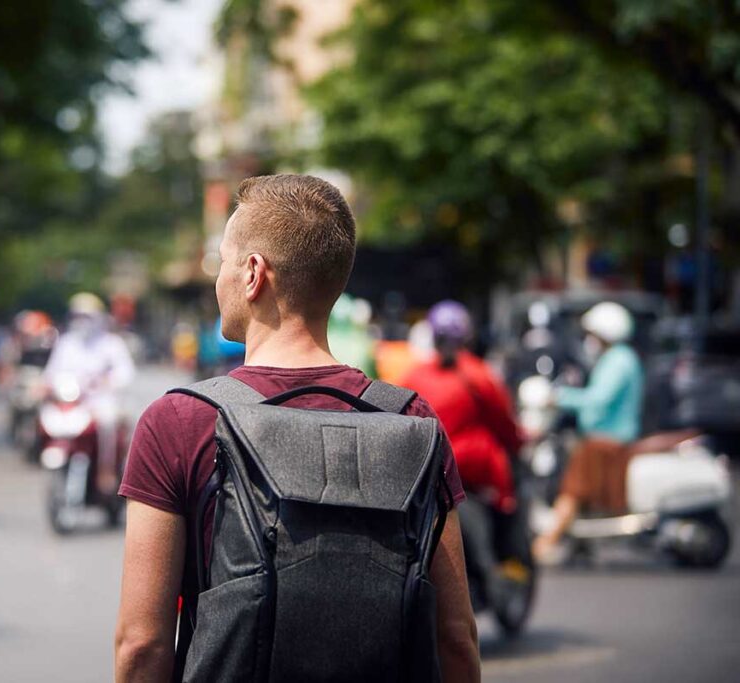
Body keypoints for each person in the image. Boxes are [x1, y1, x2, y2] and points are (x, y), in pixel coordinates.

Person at [114, 175, 479, 682]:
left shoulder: (180, 421)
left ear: (252, 274)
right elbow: (455, 637)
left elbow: (142, 644)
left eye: (224, 261)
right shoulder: (410, 420)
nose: (219, 279)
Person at [531, 301, 644, 562]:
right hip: (604, 438)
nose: (590, 340)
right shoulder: (619, 358)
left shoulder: (619, 361)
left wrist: (559, 397)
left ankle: (546, 542)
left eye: (593, 334)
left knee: (572, 492)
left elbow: (598, 399)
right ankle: (579, 543)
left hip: (605, 441)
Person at [404, 301, 522, 516]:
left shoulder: (414, 376)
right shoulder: (478, 373)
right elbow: (504, 422)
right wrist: (518, 444)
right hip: (471, 473)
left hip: (425, 472)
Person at [44, 292, 136, 494]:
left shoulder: (111, 343)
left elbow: (126, 373)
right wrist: (45, 386)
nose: (82, 322)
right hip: (73, 402)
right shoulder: (66, 343)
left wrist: (106, 381)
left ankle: (106, 472)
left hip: (101, 401)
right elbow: (51, 373)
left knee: (108, 420)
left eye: (87, 317)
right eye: (78, 317)